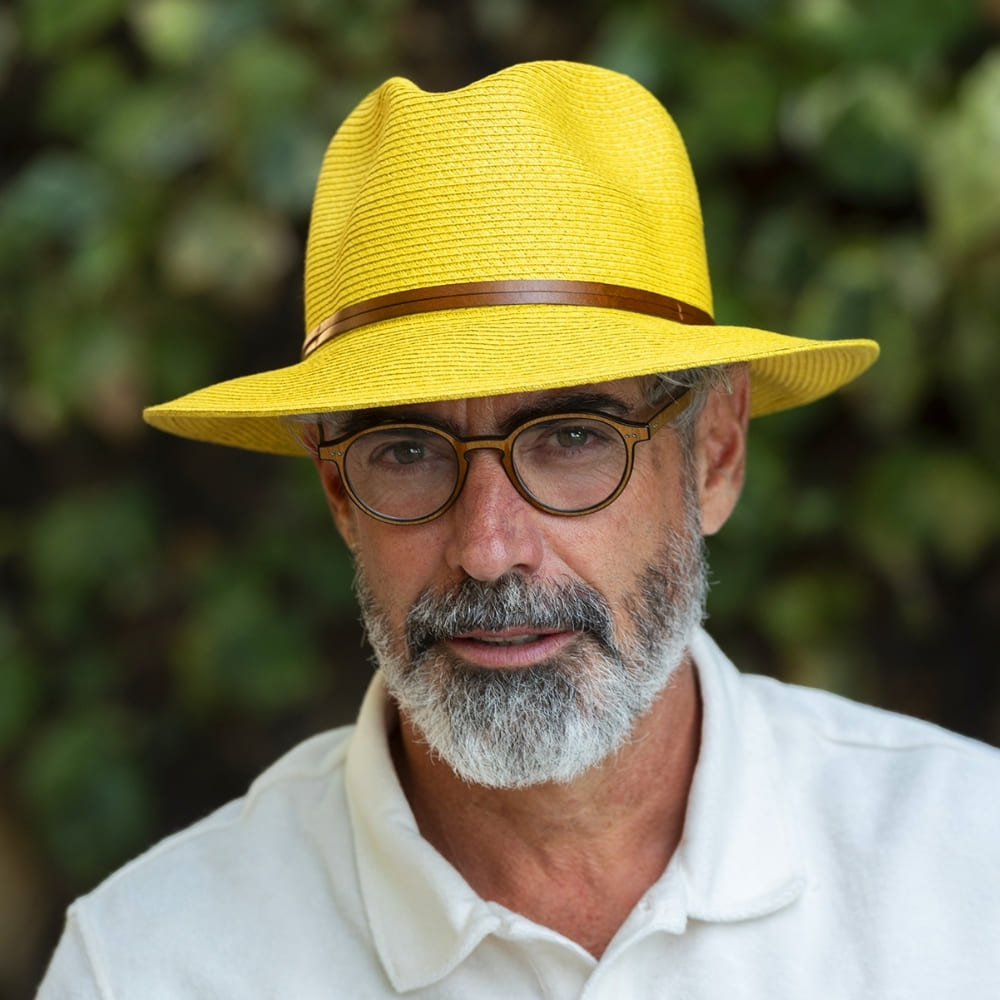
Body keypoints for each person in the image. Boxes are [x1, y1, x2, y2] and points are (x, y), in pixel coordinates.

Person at [37, 61, 1000, 999]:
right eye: (407, 451)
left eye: (574, 437)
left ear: (714, 453)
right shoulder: (148, 966)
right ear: (337, 490)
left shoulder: (965, 871)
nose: (489, 548)